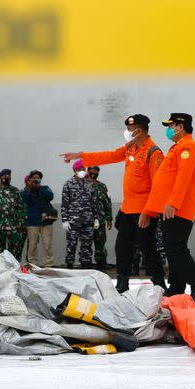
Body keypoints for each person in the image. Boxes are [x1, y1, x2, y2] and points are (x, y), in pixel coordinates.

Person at [60, 114, 165, 293]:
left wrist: (149, 212)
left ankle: (160, 284)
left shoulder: (153, 152)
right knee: (122, 247)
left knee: (148, 249)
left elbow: (159, 186)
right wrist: (80, 156)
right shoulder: (131, 147)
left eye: (130, 129)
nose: (127, 132)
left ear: (138, 131)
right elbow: (109, 156)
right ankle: (122, 283)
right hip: (127, 209)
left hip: (143, 211)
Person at [142, 113, 195, 301]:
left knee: (175, 248)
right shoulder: (178, 147)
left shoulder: (187, 148)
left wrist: (172, 203)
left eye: (171, 125)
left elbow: (183, 178)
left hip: (177, 208)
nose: (168, 129)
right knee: (174, 248)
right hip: (170, 208)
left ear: (180, 126)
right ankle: (177, 286)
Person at [61, 160, 95, 269]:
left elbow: (93, 202)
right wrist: (65, 220)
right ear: (75, 171)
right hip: (73, 220)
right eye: (80, 169)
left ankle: (85, 264)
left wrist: (96, 218)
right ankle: (69, 264)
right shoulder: (68, 184)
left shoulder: (89, 184)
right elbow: (65, 203)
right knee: (72, 243)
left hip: (88, 219)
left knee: (87, 244)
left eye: (83, 169)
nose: (82, 171)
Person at [0, 168, 28, 261]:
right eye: (4, 176)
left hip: (13, 224)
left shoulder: (15, 190)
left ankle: (14, 267)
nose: (6, 178)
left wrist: (21, 222)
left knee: (14, 249)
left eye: (8, 176)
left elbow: (21, 207)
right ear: (0, 177)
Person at [22, 170, 55, 267]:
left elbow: (50, 197)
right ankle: (33, 265)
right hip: (32, 223)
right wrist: (30, 188)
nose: (36, 179)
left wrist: (39, 188)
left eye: (38, 177)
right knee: (32, 247)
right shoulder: (26, 190)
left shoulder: (45, 188)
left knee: (47, 246)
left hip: (46, 222)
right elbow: (25, 200)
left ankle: (48, 266)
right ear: (30, 179)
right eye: (34, 177)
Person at [87, 166, 114, 271]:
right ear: (88, 171)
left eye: (96, 171)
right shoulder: (83, 184)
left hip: (100, 219)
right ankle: (86, 264)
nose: (94, 173)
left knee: (101, 242)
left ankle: (101, 264)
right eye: (92, 171)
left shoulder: (102, 186)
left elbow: (108, 203)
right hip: (86, 219)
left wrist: (109, 218)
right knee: (86, 242)